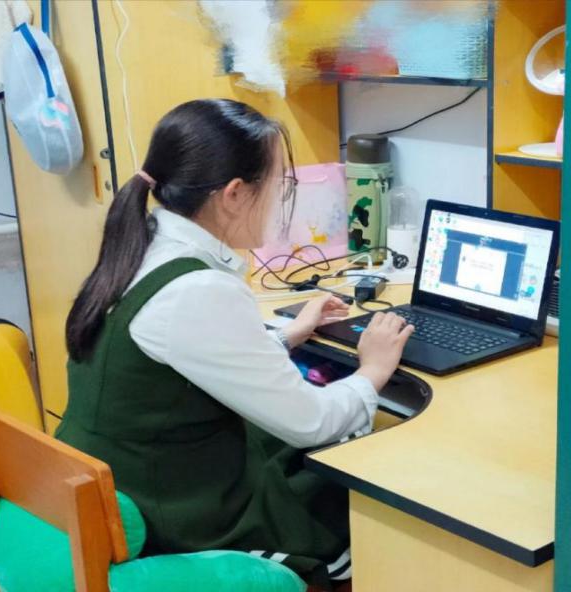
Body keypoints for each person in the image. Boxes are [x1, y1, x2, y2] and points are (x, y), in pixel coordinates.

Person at [56, 99, 413, 588]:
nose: (280, 201)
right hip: (175, 513)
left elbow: (187, 354)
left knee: (303, 440)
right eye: (280, 185)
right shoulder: (198, 289)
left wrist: (286, 335)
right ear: (235, 194)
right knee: (358, 470)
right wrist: (372, 369)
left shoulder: (146, 242)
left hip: (121, 479)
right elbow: (312, 422)